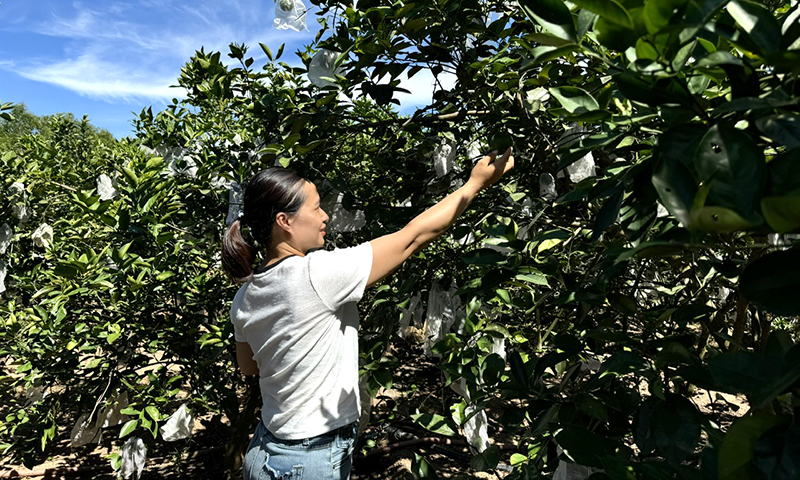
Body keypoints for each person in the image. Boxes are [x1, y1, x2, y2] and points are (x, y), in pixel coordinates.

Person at [221, 147, 514, 480]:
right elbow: (413, 237)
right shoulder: (317, 274)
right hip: (310, 459)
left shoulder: (245, 295)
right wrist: (474, 184)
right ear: (284, 221)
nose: (325, 217)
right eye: (316, 208)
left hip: (264, 450)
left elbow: (249, 367)